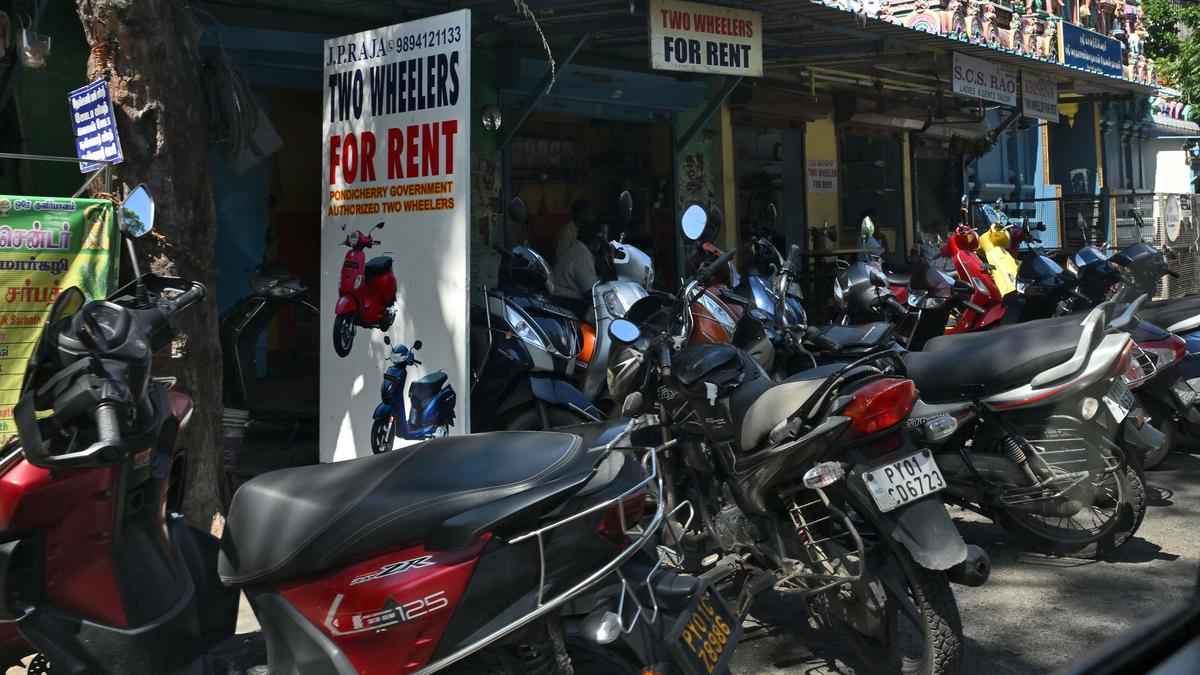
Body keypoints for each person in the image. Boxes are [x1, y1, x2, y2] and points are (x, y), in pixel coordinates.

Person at [552, 220, 605, 316]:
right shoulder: (582, 255)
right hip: (565, 305)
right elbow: (592, 292)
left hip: (560, 301)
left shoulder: (575, 249)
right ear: (596, 242)